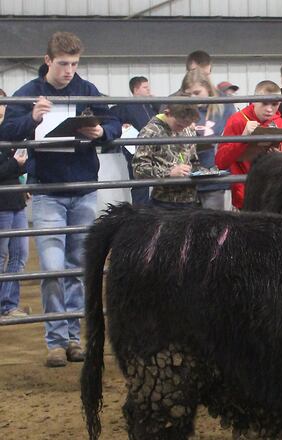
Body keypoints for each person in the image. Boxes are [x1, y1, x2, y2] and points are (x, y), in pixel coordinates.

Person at [0, 31, 121, 367]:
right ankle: (55, 340)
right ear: (48, 61)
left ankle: (71, 338)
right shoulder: (28, 95)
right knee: (53, 268)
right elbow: (5, 132)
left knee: (79, 268)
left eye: (75, 64)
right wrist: (32, 119)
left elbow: (115, 124)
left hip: (83, 188)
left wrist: (102, 132)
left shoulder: (87, 90)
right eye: (64, 63)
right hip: (48, 192)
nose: (70, 70)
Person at [217, 80, 282, 210]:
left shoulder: (281, 124)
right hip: (244, 194)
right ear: (254, 100)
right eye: (264, 103)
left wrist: (280, 157)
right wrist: (243, 138)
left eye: (274, 104)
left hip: (271, 194)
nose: (269, 109)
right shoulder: (237, 121)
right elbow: (221, 162)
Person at [180, 69, 235, 210]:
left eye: (197, 93)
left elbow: (232, 136)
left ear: (208, 88)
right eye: (188, 94)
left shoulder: (225, 105)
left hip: (216, 178)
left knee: (215, 225)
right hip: (189, 179)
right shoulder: (181, 107)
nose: (192, 97)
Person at [133, 102, 204, 209]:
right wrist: (169, 173)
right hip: (164, 202)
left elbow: (193, 159)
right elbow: (139, 169)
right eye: (179, 125)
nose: (183, 129)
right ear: (167, 113)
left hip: (191, 199)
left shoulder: (188, 129)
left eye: (188, 125)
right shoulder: (150, 132)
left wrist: (201, 172)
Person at [0, 88, 29, 319]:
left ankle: (9, 304)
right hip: (3, 203)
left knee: (19, 254)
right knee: (2, 255)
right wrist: (15, 165)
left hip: (16, 200)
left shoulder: (10, 134)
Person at [109, 76, 156, 206]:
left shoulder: (151, 106)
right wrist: (120, 126)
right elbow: (111, 119)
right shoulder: (125, 106)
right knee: (140, 184)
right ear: (135, 89)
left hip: (154, 149)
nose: (149, 90)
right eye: (145, 87)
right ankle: (140, 213)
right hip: (137, 151)